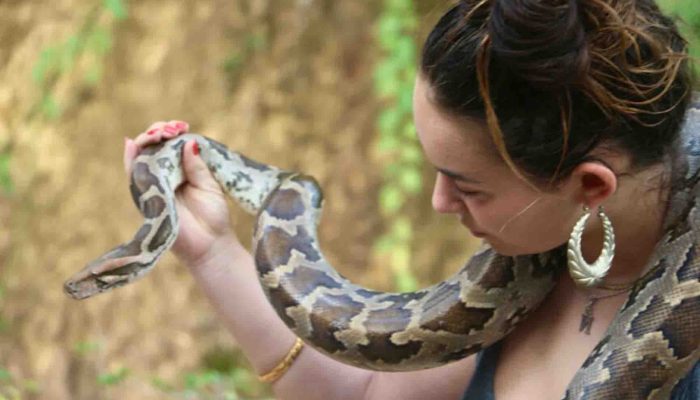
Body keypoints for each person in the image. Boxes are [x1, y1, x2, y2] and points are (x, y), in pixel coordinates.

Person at [123, 0, 699, 398]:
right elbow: (371, 391)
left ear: (591, 186)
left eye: (468, 185)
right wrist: (211, 251)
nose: (439, 202)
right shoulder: (526, 262)